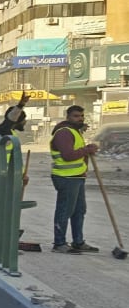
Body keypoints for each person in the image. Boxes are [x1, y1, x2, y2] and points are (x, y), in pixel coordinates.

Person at [49, 105, 100, 254]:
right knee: (65, 210)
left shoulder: (74, 131)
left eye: (82, 116)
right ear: (68, 117)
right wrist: (87, 150)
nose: (80, 118)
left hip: (76, 177)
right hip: (66, 178)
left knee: (79, 210)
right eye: (76, 116)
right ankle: (59, 243)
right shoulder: (63, 133)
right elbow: (68, 155)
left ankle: (78, 241)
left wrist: (87, 150)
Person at [0, 92, 31, 186]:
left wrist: (22, 175)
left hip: (10, 175)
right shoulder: (3, 130)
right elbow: (11, 118)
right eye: (23, 119)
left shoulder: (12, 132)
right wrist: (21, 105)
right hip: (0, 175)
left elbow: (15, 158)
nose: (25, 122)